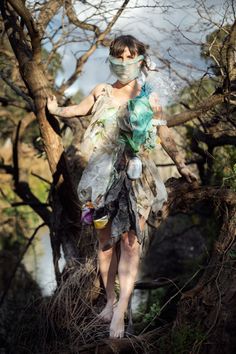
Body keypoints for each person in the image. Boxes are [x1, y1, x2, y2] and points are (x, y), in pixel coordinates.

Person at [47, 35, 197, 338]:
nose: (124, 62)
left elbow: (165, 134)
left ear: (140, 60)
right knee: (105, 244)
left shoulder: (149, 97)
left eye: (131, 57)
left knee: (131, 243)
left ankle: (120, 312)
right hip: (102, 175)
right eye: (119, 57)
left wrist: (181, 164)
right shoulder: (101, 91)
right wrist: (55, 110)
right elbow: (78, 109)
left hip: (137, 175)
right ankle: (110, 301)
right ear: (112, 60)